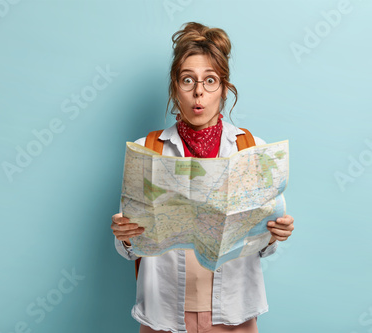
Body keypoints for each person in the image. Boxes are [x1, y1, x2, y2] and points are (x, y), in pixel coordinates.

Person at [111, 22, 295, 333]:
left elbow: (263, 247)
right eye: (188, 80)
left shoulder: (252, 150)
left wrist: (275, 233)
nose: (199, 92)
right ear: (175, 87)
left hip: (235, 316)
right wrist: (125, 234)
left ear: (224, 88)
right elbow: (130, 248)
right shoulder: (149, 150)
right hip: (163, 317)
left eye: (210, 81)